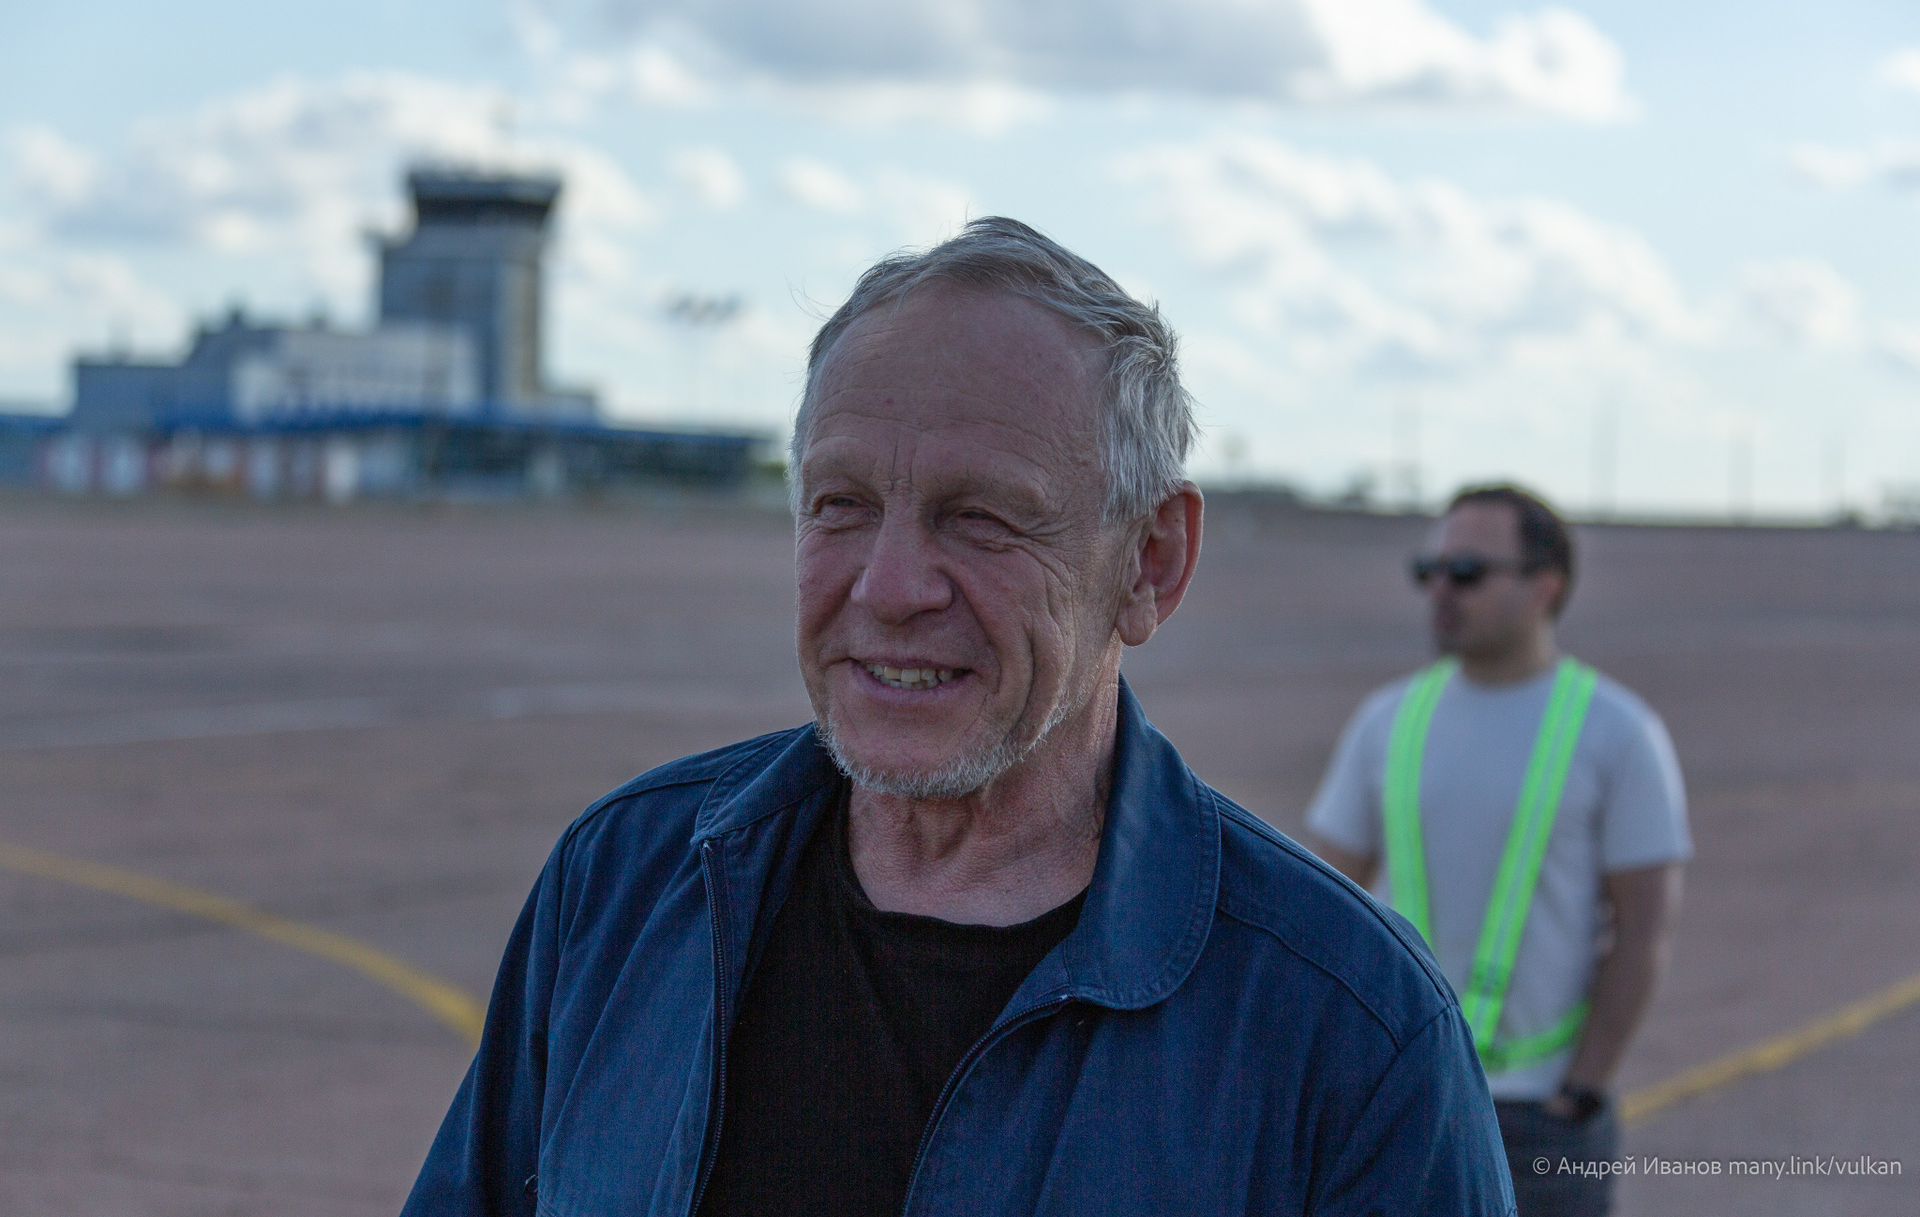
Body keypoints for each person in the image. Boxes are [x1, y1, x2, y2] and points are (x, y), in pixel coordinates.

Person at [403, 219, 1514, 1217]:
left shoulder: (1350, 1029)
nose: (888, 588)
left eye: (981, 518)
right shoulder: (622, 885)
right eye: (840, 505)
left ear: (1151, 562)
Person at [1306, 485, 1690, 1217]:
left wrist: (1580, 1088)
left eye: (1467, 572)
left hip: (1538, 1114)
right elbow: (1320, 906)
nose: (1441, 591)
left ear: (1546, 586)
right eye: (1429, 571)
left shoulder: (1618, 731)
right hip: (1395, 1099)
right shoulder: (1388, 721)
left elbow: (1646, 930)